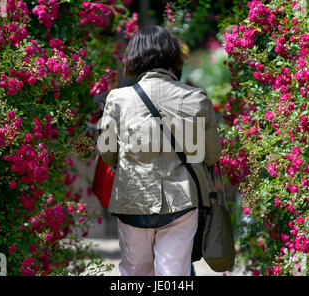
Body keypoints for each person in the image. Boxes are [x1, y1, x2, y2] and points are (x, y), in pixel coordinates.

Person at [97, 25, 221, 276]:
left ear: (134, 58)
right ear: (174, 57)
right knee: (174, 272)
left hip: (132, 200)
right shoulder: (196, 97)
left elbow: (107, 153)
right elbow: (211, 155)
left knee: (135, 273)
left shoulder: (117, 99)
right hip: (182, 201)